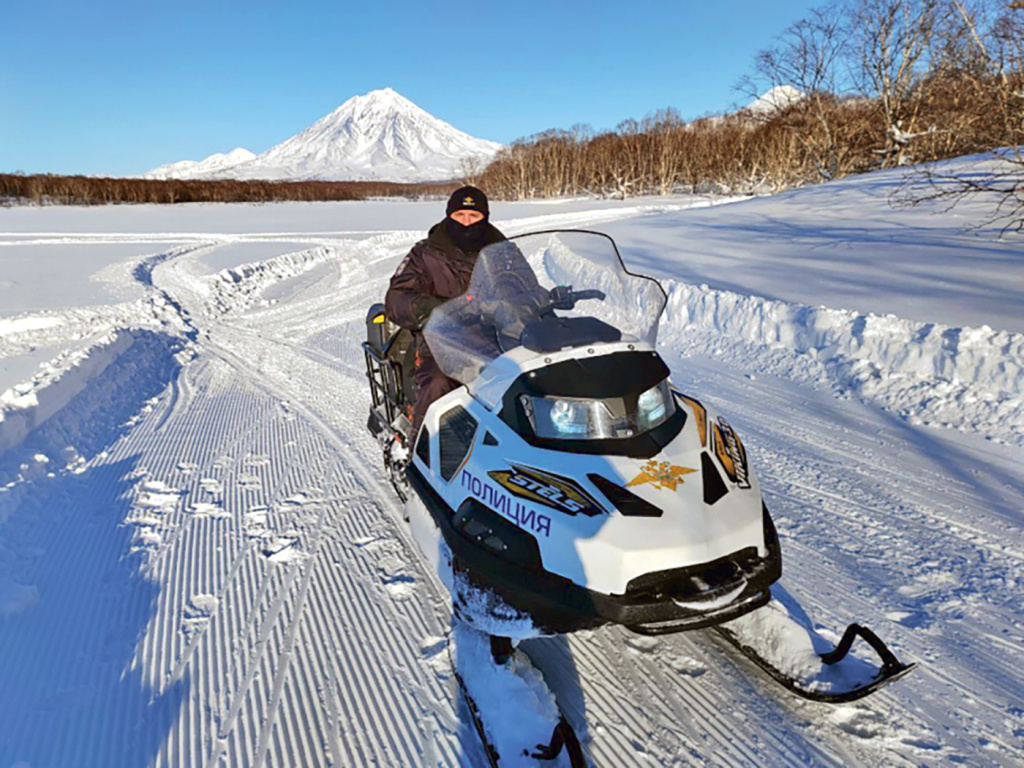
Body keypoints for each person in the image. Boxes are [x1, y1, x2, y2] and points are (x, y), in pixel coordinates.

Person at [385, 185, 505, 438]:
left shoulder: (502, 251)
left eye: (474, 216)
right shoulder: (425, 253)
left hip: (495, 340)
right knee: (438, 384)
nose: (467, 223)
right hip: (441, 341)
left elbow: (520, 286)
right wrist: (429, 308)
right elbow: (397, 297)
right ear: (449, 215)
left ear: (485, 217)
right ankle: (422, 452)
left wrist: (538, 301)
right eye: (460, 216)